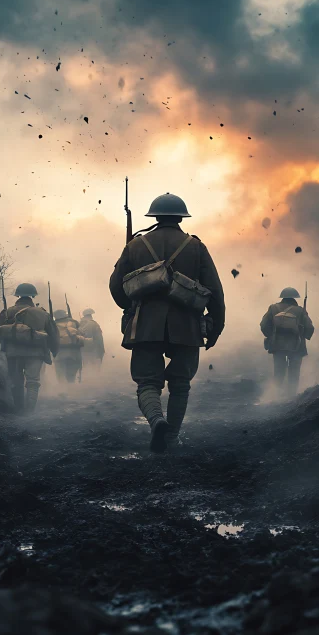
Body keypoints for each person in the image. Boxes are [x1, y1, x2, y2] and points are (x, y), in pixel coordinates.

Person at [109, 192, 225, 453]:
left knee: (147, 382)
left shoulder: (136, 246)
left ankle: (156, 420)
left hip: (145, 324)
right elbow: (214, 291)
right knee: (181, 383)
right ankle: (171, 438)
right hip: (188, 325)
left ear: (154, 217)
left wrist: (131, 307)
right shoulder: (196, 247)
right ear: (181, 217)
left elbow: (117, 287)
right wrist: (216, 326)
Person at [0, 282, 59, 413]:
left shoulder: (8, 312)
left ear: (18, 296)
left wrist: (6, 343)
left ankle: (19, 409)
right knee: (33, 382)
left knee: (16, 381)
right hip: (36, 353)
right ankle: (29, 411)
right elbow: (53, 334)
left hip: (13, 353)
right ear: (33, 296)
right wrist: (53, 350)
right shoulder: (43, 314)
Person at [260, 287, 314, 396]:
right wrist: (304, 335)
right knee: (294, 372)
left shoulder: (273, 308)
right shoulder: (300, 310)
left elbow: (264, 325)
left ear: (282, 297)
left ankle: (276, 395)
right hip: (297, 345)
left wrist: (271, 336)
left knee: (279, 371)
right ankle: (291, 396)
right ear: (295, 298)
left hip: (277, 344)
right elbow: (309, 327)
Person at [53, 309, 85, 383]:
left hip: (59, 352)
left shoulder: (53, 324)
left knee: (60, 374)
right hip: (74, 352)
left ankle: (63, 390)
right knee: (71, 375)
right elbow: (81, 334)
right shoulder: (74, 322)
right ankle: (71, 390)